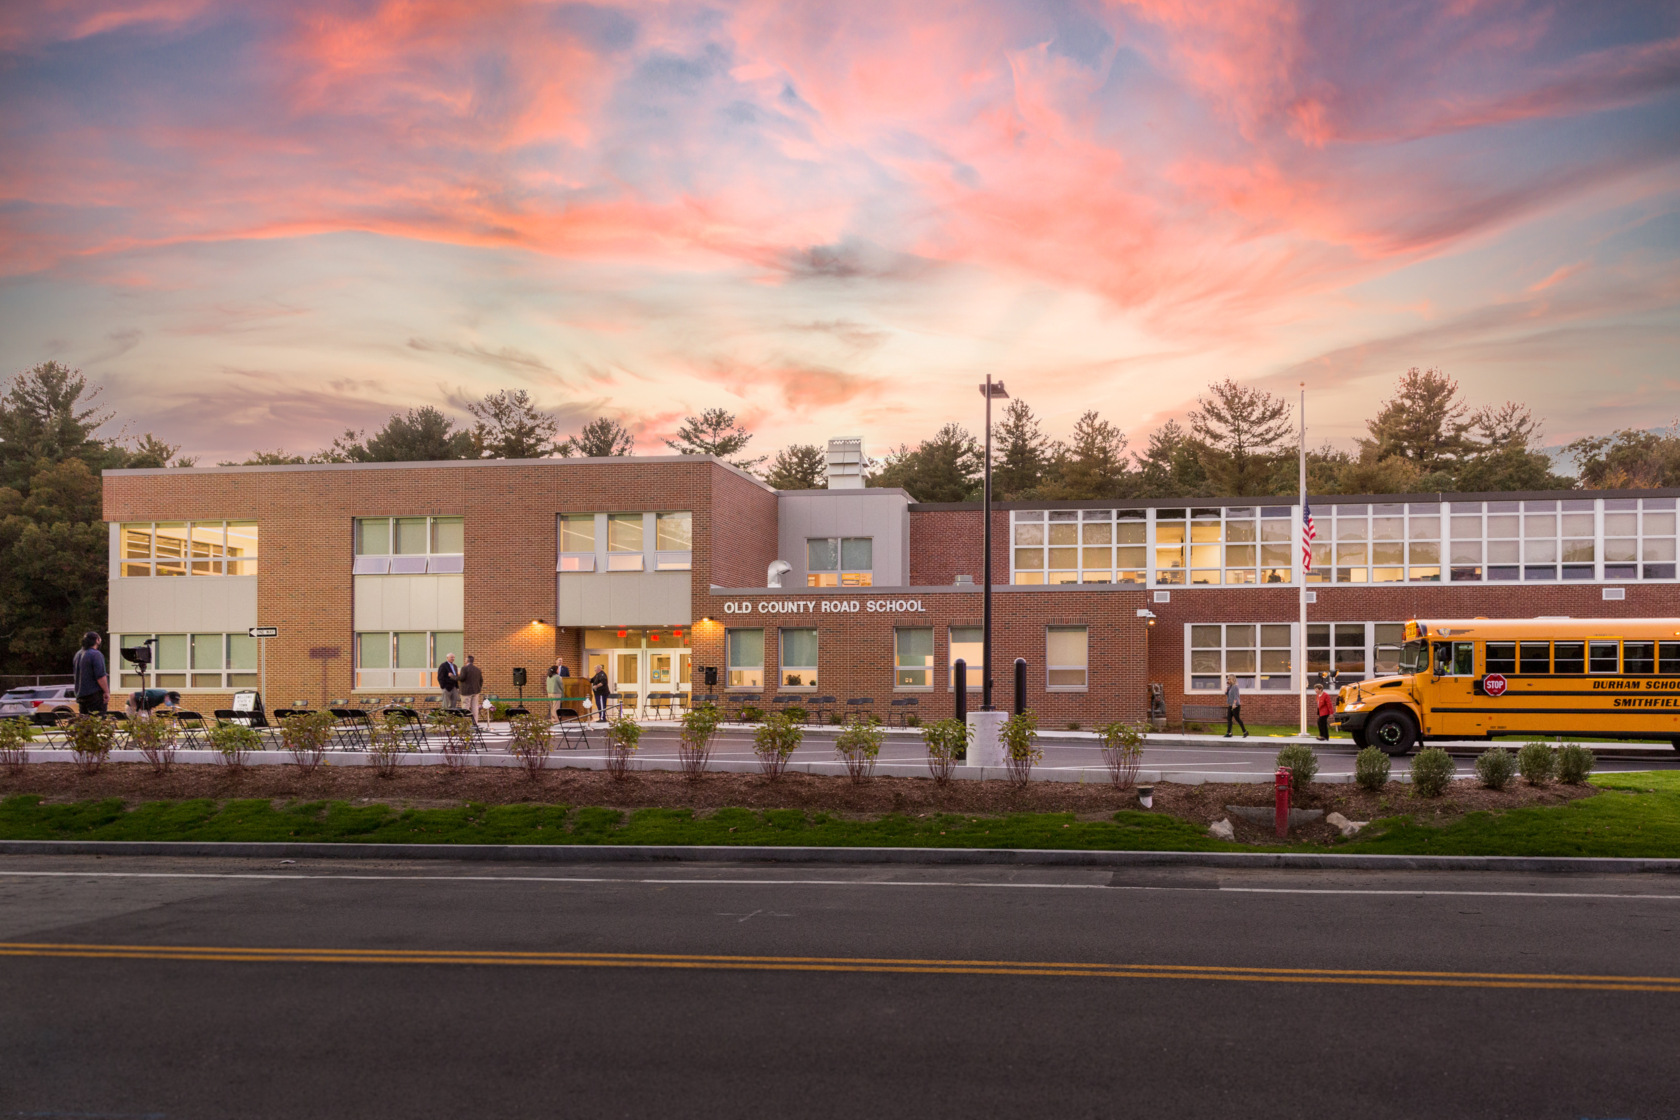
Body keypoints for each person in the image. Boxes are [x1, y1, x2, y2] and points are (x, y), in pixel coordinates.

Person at [72, 632, 109, 715]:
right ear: (97, 640)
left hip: (81, 694)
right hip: (94, 695)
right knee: (98, 722)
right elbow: (100, 676)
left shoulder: (78, 654)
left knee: (85, 723)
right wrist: (106, 692)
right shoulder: (96, 654)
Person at [458, 654, 484, 725]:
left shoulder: (464, 668)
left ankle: (465, 724)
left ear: (467, 660)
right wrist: (478, 688)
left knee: (465, 707)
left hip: (466, 691)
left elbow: (462, 678)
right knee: (475, 707)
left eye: (465, 659)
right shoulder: (478, 669)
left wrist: (453, 676)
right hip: (476, 691)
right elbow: (481, 680)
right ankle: (475, 722)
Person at [1223, 674, 1249, 738]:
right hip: (1231, 705)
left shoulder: (1235, 686)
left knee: (1237, 719)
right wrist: (1227, 688)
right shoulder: (1230, 687)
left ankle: (1245, 732)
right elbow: (1227, 694)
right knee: (1229, 719)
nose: (1228, 680)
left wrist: (1234, 704)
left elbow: (1236, 696)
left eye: (1229, 679)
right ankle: (1229, 733)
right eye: (1227, 679)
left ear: (1232, 679)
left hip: (1235, 705)